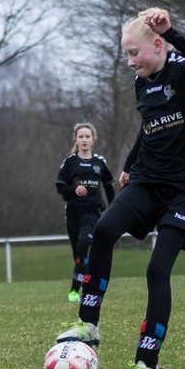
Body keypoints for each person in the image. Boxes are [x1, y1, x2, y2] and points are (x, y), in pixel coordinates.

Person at [55, 8, 185, 369]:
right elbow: (149, 131)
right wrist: (128, 165)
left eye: (134, 53)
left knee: (157, 269)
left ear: (157, 44)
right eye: (125, 55)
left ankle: (148, 365)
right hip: (149, 179)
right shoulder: (142, 83)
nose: (129, 62)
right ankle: (88, 324)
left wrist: (172, 30)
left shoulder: (184, 71)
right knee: (105, 229)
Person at [55, 122, 116, 303]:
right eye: (81, 136)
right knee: (79, 256)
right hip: (74, 211)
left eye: (87, 136)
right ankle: (83, 283)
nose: (84, 140)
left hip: (93, 212)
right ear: (76, 139)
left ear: (93, 140)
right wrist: (74, 189)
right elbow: (60, 187)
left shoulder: (100, 162)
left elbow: (108, 187)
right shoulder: (70, 162)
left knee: (84, 245)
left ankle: (75, 291)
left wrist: (114, 208)